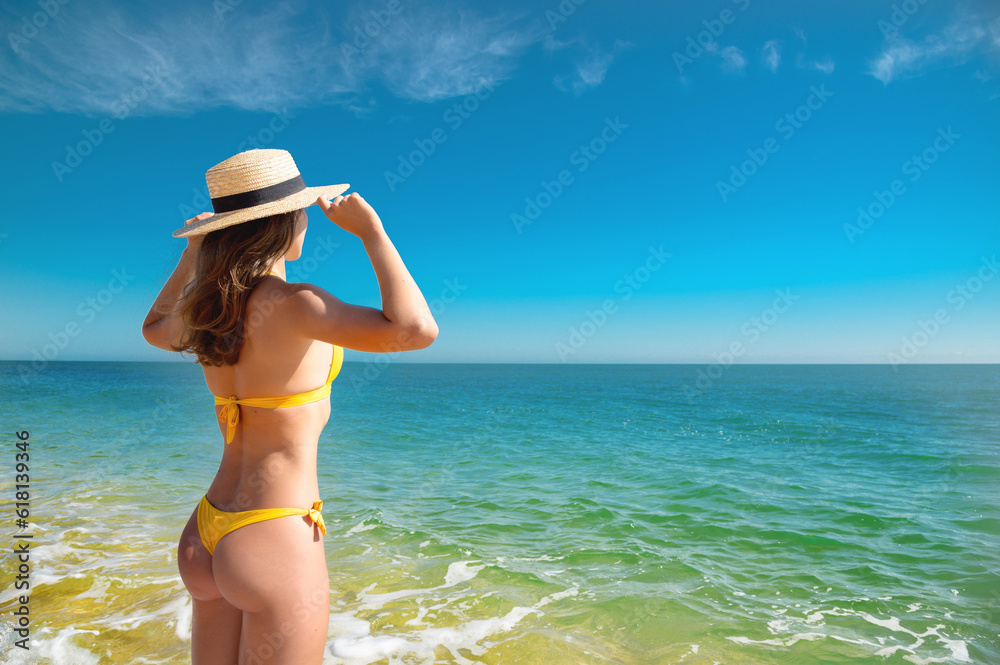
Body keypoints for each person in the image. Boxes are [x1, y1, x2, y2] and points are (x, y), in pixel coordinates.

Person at [141, 148, 438, 664]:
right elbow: (415, 330)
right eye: (299, 212)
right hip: (272, 533)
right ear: (283, 224)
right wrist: (371, 232)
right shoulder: (296, 305)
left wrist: (195, 250)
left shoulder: (206, 313)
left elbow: (154, 328)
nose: (307, 220)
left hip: (206, 531)